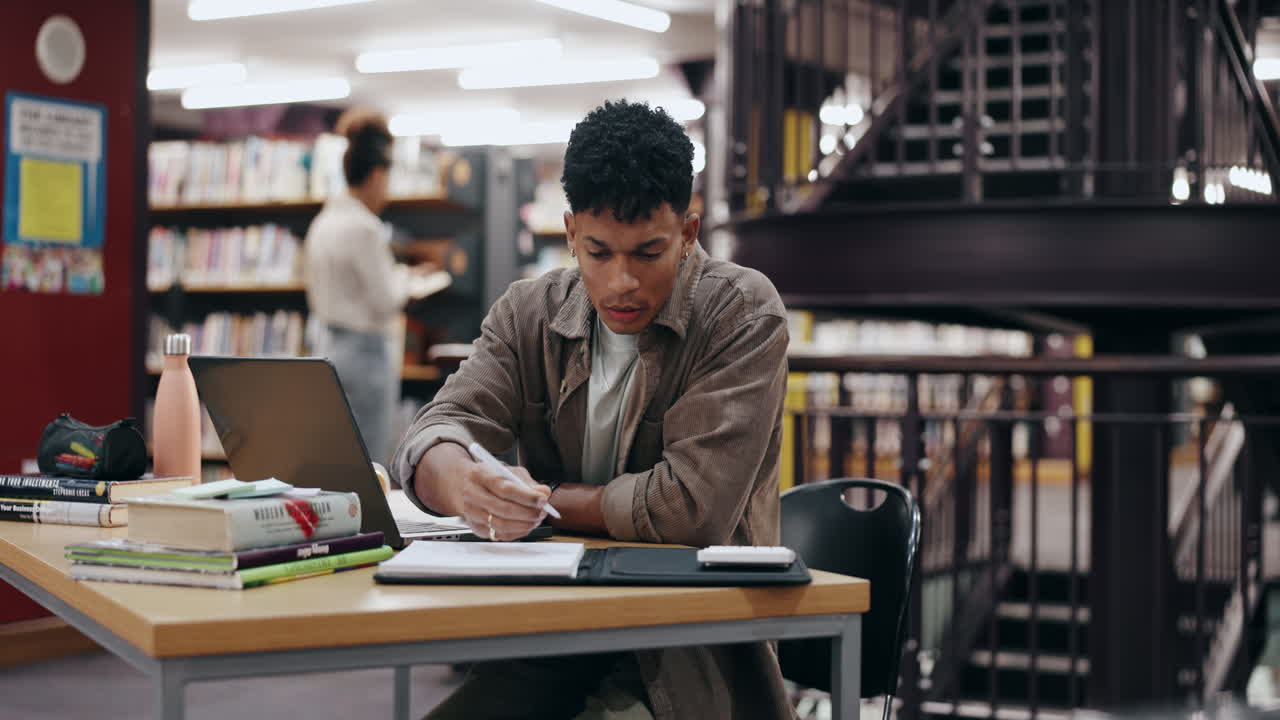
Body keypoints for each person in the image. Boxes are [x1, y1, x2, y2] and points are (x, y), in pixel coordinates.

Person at [391, 100, 792, 720]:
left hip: (684, 650)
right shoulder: (528, 312)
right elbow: (435, 432)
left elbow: (690, 510)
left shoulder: (740, 312)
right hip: (549, 635)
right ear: (570, 233)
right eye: (599, 252)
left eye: (648, 253)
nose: (621, 282)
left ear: (688, 234)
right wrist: (465, 485)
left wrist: (547, 500)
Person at [305, 109, 437, 463]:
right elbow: (387, 298)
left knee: (335, 457)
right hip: (366, 356)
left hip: (327, 347)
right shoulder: (365, 227)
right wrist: (411, 279)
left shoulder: (322, 222)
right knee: (370, 458)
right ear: (377, 176)